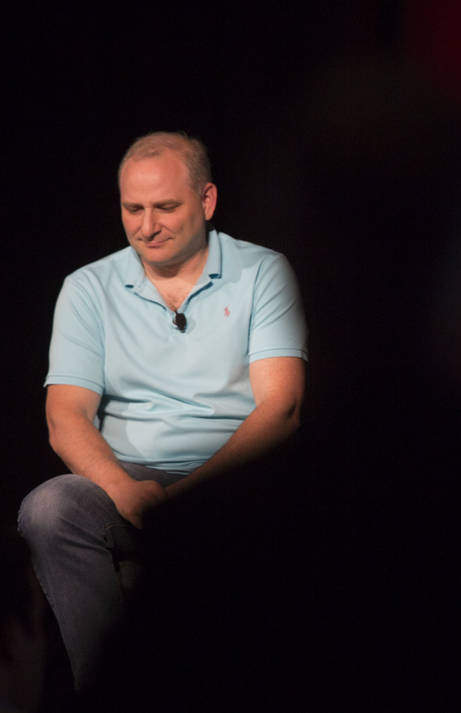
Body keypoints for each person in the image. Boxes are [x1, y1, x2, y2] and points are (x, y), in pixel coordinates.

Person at [16, 132, 308, 691]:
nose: (147, 226)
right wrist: (127, 493)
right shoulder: (87, 288)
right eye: (133, 208)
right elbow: (66, 418)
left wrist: (190, 497)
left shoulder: (263, 271)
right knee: (50, 508)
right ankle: (111, 689)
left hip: (234, 477)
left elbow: (282, 408)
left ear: (207, 201)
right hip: (125, 482)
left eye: (165, 207)